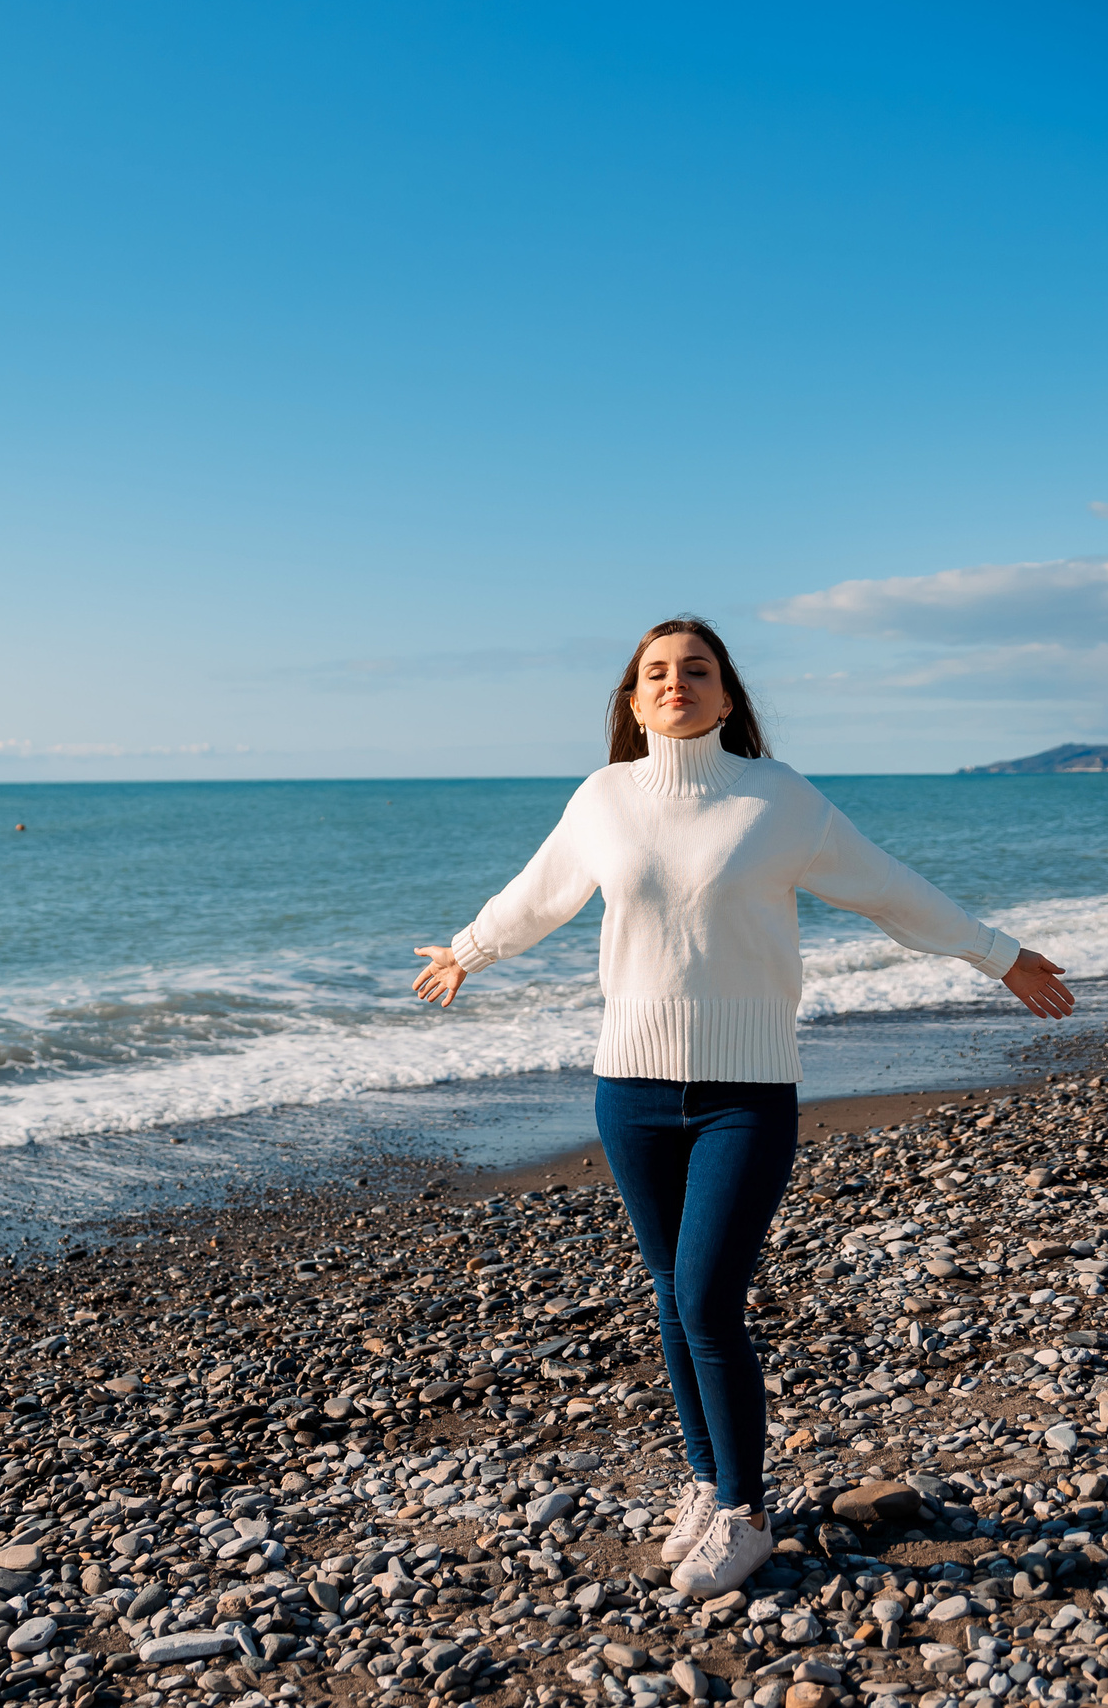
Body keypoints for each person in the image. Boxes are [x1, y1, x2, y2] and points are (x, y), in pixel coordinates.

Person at [411, 616, 1073, 1596]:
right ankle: (707, 1478)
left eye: (696, 669)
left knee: (708, 1299)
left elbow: (888, 888)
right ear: (633, 701)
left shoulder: (779, 801)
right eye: (656, 673)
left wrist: (995, 951)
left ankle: (746, 1512)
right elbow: (538, 894)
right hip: (629, 1087)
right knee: (672, 1300)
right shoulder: (603, 799)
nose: (675, 683)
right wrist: (466, 948)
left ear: (727, 695)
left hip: (746, 1092)